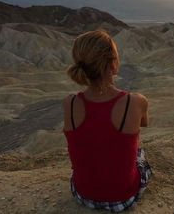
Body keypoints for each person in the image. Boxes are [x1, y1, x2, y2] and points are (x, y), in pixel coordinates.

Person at [62, 30, 152, 212]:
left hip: (82, 195)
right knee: (140, 156)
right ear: (113, 63)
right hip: (124, 197)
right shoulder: (135, 101)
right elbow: (143, 124)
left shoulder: (69, 103)